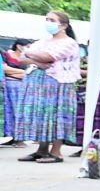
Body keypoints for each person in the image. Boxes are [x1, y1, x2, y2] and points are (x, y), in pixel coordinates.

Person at [13, 12, 81, 163]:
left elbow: (47, 57)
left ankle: (56, 152)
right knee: (42, 116)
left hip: (58, 83)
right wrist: (37, 61)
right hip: (40, 83)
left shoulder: (68, 43)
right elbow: (22, 58)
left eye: (52, 20)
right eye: (47, 20)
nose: (48, 22)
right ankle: (41, 150)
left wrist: (30, 53)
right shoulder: (44, 41)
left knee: (57, 116)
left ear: (63, 25)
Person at [1, 39, 29, 147]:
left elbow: (32, 72)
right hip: (10, 86)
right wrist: (25, 73)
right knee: (10, 111)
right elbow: (5, 69)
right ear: (19, 46)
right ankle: (13, 137)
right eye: (27, 46)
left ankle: (19, 138)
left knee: (21, 112)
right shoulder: (6, 55)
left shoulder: (27, 58)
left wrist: (15, 73)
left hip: (23, 87)